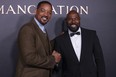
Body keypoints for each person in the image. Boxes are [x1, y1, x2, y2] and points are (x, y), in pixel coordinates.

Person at [15, 1, 61, 77]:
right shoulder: (28, 29)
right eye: (43, 11)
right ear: (36, 11)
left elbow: (42, 46)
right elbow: (29, 58)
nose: (46, 14)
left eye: (49, 12)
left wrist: (60, 38)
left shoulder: (41, 29)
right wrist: (53, 59)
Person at [54, 10, 105, 77]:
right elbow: (59, 65)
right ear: (66, 21)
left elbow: (99, 59)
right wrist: (56, 63)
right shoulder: (59, 40)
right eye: (70, 19)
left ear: (79, 20)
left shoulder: (91, 35)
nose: (73, 21)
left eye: (76, 19)